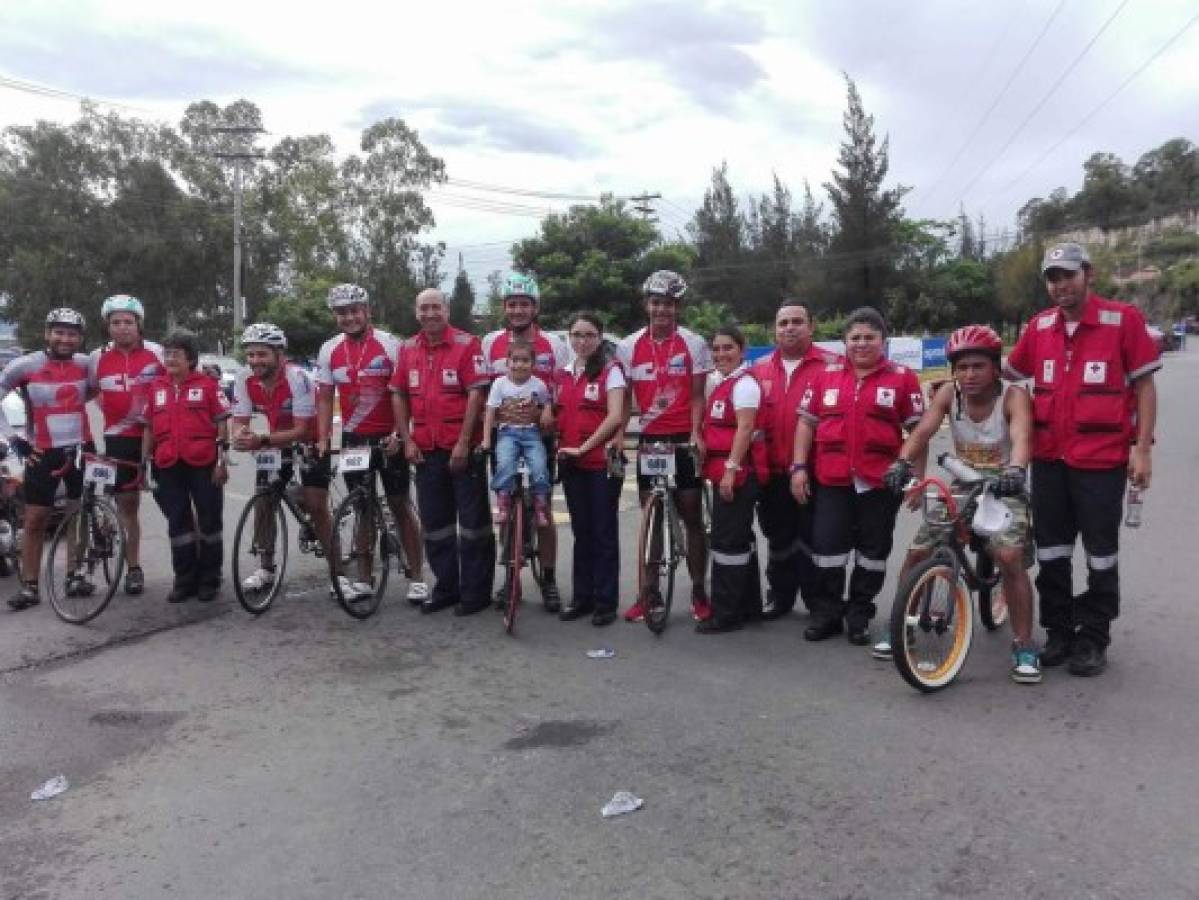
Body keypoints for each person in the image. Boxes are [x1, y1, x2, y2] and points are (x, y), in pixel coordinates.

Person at [1004, 242, 1161, 677]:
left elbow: (1145, 389)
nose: (1060, 285)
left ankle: (1093, 637)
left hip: (1102, 461)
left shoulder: (1123, 320)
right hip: (1050, 460)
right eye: (1052, 278)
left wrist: (1142, 449)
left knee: (1100, 555)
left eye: (1067, 275)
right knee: (1052, 552)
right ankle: (1058, 632)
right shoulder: (1039, 327)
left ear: (1087, 274)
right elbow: (1011, 377)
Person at [880, 325, 1040, 683]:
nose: (968, 375)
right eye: (962, 367)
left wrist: (1015, 469)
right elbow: (921, 432)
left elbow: (1022, 438)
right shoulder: (948, 395)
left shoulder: (1013, 396)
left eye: (978, 366)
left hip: (1004, 483)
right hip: (964, 479)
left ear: (995, 368)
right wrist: (902, 462)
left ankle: (1024, 644)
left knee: (1010, 557)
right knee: (919, 551)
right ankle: (899, 627)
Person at [790, 307, 923, 645]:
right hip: (832, 480)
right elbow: (806, 424)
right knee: (827, 549)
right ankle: (828, 613)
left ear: (883, 340)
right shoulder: (825, 375)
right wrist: (799, 467)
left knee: (872, 552)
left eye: (869, 337)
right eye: (855, 338)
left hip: (881, 483)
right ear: (844, 341)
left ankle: (859, 614)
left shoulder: (903, 378)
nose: (861, 344)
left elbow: (918, 434)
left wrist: (917, 480)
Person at [314, 283, 426, 603]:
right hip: (353, 439)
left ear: (367, 312)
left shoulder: (391, 345)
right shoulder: (329, 349)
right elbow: (323, 399)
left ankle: (417, 576)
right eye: (341, 313)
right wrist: (323, 437)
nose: (348, 317)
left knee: (399, 504)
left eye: (354, 311)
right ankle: (364, 578)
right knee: (361, 505)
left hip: (388, 436)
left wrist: (402, 435)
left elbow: (407, 394)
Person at [390, 288, 494, 616]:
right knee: (436, 525)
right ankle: (446, 588)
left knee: (473, 525)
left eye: (436, 307)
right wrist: (406, 439)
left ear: (446, 310)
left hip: (462, 449)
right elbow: (399, 395)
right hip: (425, 451)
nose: (430, 314)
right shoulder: (407, 349)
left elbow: (477, 395)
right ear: (416, 312)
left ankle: (476, 594)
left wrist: (464, 443)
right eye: (424, 308)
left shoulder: (467, 345)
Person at [616, 270, 713, 623]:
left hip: (682, 438)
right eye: (656, 303)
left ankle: (700, 590)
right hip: (651, 442)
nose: (662, 310)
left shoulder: (693, 343)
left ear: (678, 307)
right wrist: (618, 436)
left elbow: (699, 396)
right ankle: (649, 592)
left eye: (669, 304)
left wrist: (697, 433)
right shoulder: (628, 346)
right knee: (652, 518)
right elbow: (624, 400)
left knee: (690, 516)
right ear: (647, 304)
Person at [230, 323, 346, 594]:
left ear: (279, 354)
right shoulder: (244, 378)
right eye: (251, 355)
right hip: (277, 438)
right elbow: (239, 419)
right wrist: (241, 434)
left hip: (313, 438)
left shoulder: (297, 377)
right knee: (264, 498)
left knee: (317, 507)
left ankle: (338, 574)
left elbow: (302, 430)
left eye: (262, 354)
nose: (255, 361)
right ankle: (265, 567)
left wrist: (261, 440)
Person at [482, 272, 571, 612]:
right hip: (503, 435)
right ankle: (510, 578)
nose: (518, 310)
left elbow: (565, 389)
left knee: (541, 505)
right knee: (507, 507)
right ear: (504, 307)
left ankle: (548, 578)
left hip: (540, 438)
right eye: (512, 304)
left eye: (524, 304)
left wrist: (554, 420)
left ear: (535, 308)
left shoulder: (555, 345)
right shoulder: (490, 342)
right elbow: (482, 393)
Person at [0, 308, 93, 610]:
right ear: (47, 334)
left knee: (77, 514)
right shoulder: (26, 365)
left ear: (80, 338)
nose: (65, 339)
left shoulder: (85, 363)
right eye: (59, 332)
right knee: (36, 518)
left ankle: (74, 575)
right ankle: (29, 586)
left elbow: (107, 387)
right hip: (42, 451)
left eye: (72, 334)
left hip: (81, 447)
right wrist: (15, 440)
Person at [750, 301, 837, 620]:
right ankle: (781, 596)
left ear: (811, 326)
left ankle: (818, 600)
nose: (789, 327)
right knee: (778, 537)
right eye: (783, 322)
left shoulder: (834, 366)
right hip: (772, 473)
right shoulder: (757, 369)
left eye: (797, 321)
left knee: (817, 538)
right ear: (774, 329)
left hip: (817, 472)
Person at [143, 330, 230, 603]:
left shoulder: (208, 386)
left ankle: (209, 579)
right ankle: (184, 579)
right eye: (167, 354)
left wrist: (221, 461)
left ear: (190, 358)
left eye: (176, 354)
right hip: (167, 464)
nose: (170, 359)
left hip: (204, 464)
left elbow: (222, 423)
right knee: (178, 525)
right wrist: (145, 462)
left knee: (209, 522)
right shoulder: (156, 387)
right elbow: (149, 428)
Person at [89, 294, 164, 597]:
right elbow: (89, 391)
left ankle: (192, 564)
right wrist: (112, 412)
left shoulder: (157, 352)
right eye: (116, 322)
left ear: (139, 325)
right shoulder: (96, 357)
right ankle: (133, 568)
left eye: (128, 322)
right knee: (128, 506)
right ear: (108, 326)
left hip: (159, 435)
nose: (122, 328)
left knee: (174, 501)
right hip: (119, 439)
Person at [554, 312, 627, 626]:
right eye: (577, 335)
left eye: (589, 335)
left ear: (600, 338)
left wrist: (585, 447)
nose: (582, 341)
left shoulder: (611, 372)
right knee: (581, 532)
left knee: (603, 533)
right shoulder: (563, 374)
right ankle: (582, 597)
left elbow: (615, 417)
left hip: (601, 464)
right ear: (570, 338)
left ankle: (605, 602)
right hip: (572, 464)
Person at [697, 325, 768, 634]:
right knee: (740, 541)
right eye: (716, 348)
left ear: (742, 350)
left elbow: (745, 428)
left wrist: (730, 469)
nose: (720, 354)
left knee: (726, 544)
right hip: (730, 472)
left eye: (728, 348)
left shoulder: (744, 385)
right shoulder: (725, 383)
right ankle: (749, 606)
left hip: (739, 474)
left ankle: (725, 614)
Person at [481, 340, 553, 527]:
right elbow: (490, 411)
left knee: (539, 466)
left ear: (533, 364)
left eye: (525, 360)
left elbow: (547, 403)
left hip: (531, 433)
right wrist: (486, 440)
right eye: (515, 360)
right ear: (507, 362)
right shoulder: (500, 384)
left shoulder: (539, 385)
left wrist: (546, 410)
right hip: (508, 433)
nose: (519, 364)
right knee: (504, 463)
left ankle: (540, 504)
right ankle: (503, 502)